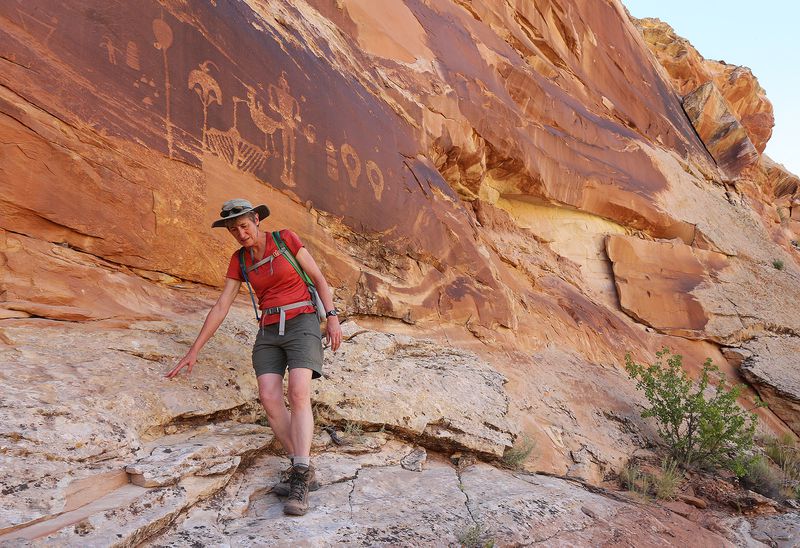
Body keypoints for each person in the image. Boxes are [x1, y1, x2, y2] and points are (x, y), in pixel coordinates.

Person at [166, 198, 341, 516]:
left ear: (257, 220)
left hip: (302, 321)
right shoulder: (240, 260)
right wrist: (194, 351)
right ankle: (301, 467)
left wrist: (331, 316)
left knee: (298, 392)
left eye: (244, 226)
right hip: (269, 331)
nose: (240, 233)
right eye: (234, 229)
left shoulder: (284, 239)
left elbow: (318, 278)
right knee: (269, 397)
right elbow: (221, 306)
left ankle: (299, 480)